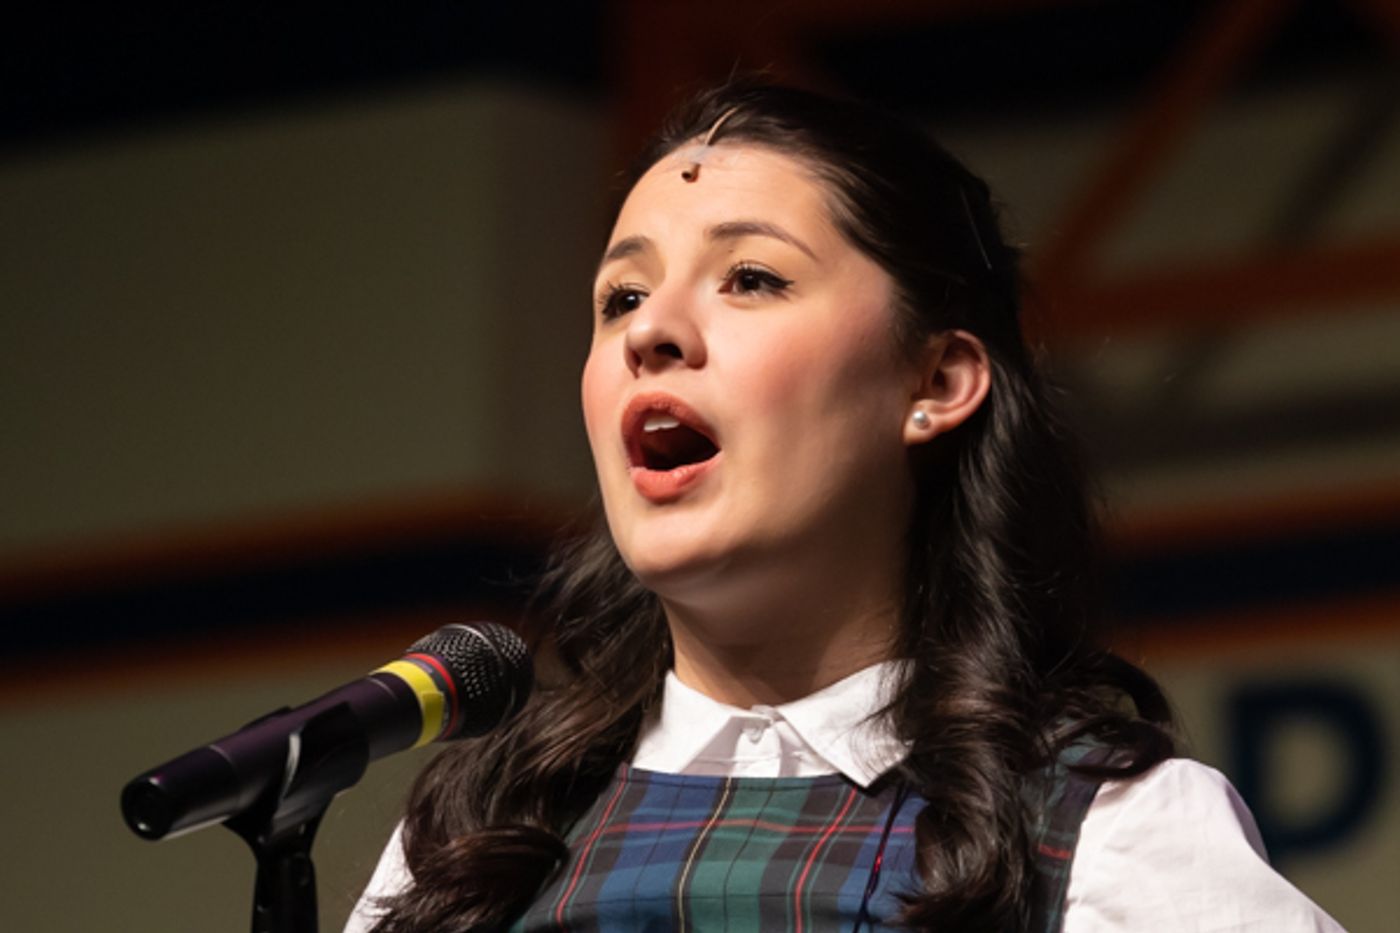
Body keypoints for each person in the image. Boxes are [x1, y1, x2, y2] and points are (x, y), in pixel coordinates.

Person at [347, 82, 1343, 932]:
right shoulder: (484, 834)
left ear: (937, 380)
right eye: (619, 298)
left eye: (751, 279)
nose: (651, 329)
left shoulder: (1098, 829)